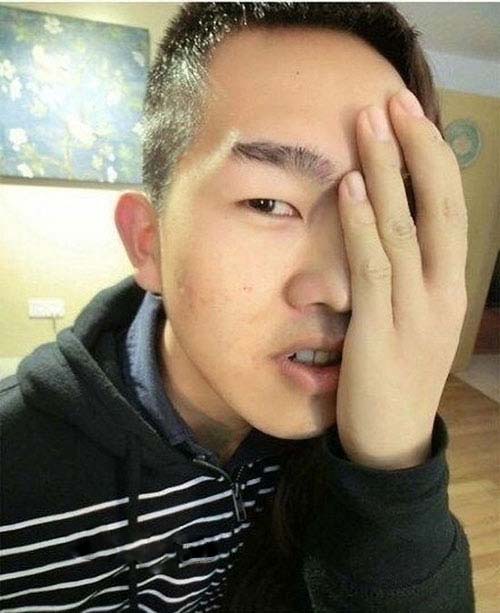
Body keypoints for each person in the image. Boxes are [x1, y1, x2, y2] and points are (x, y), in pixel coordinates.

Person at [0, 2, 475, 611]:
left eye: (385, 215)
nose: (345, 290)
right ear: (148, 241)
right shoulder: (17, 487)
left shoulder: (359, 433)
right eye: (269, 204)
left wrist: (394, 472)